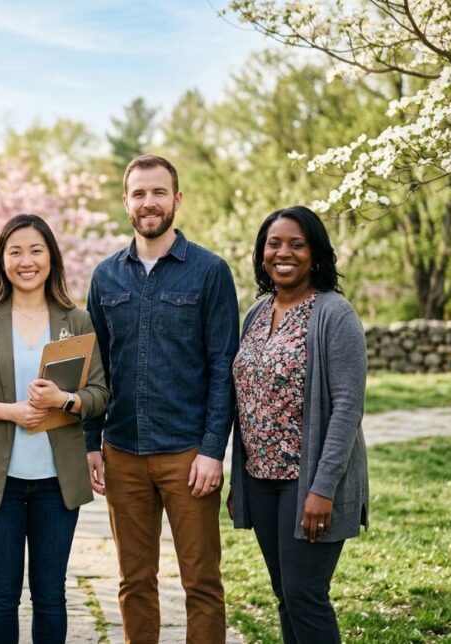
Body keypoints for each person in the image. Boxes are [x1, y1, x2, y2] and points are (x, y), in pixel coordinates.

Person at [84, 154, 238, 644]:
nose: (148, 203)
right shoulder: (105, 277)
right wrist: (92, 443)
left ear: (177, 199)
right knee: (134, 582)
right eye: (139, 194)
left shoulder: (210, 272)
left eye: (158, 192)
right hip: (123, 452)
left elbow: (223, 368)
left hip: (188, 454)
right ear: (126, 202)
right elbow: (96, 366)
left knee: (202, 583)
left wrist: (214, 449)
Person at [0, 214, 109, 644]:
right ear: (1, 260)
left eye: (36, 250)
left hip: (57, 481)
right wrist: (9, 411)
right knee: (1, 594)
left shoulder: (76, 320)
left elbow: (99, 395)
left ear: (51, 258)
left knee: (51, 595)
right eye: (14, 251)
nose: (26, 261)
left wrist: (64, 401)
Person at [228, 205, 368, 643]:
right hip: (261, 480)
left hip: (306, 484)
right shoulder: (256, 313)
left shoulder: (333, 313)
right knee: (286, 595)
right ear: (261, 253)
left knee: (306, 595)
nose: (282, 253)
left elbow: (347, 406)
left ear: (316, 254)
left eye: (296, 244)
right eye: (274, 243)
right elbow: (245, 397)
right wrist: (240, 479)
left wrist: (322, 489)